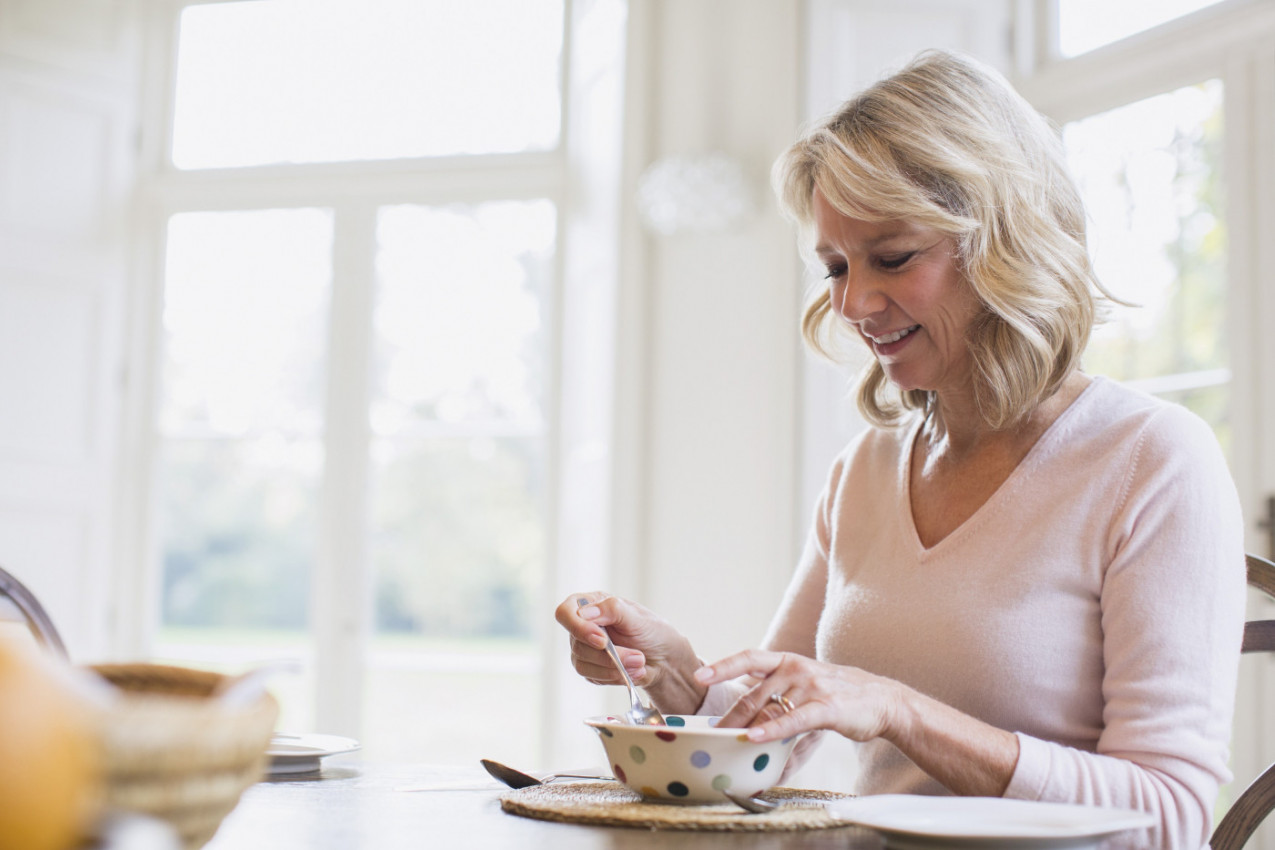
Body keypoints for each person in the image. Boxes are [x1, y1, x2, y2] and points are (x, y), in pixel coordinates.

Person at [555, 49, 1246, 849]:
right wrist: (678, 678)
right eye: (835, 267)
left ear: (1005, 241)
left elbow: (1169, 816)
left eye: (891, 258)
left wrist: (899, 709)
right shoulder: (867, 470)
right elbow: (774, 736)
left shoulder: (1152, 458)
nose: (852, 303)